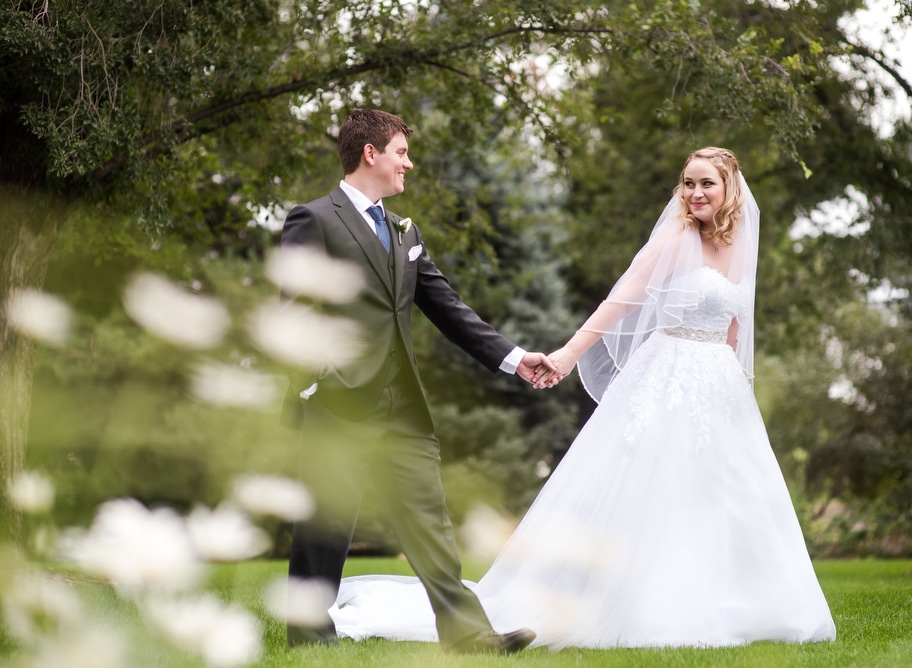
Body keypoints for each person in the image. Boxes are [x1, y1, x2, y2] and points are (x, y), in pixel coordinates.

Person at [323, 147, 837, 649]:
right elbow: (622, 298)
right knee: (658, 485)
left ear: (730, 190)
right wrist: (567, 355)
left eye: (707, 183)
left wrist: (735, 390)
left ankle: (739, 605)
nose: (696, 192)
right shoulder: (676, 236)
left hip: (719, 384)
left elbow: (734, 324)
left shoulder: (743, 243)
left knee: (727, 494)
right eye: (689, 183)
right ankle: (643, 605)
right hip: (668, 373)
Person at [279, 108, 553, 654]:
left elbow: (449, 308)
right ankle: (309, 638)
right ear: (370, 154)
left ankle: (470, 636)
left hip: (402, 406)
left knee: (430, 522)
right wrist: (316, 382)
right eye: (402, 151)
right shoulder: (314, 219)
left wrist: (515, 358)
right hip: (338, 403)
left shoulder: (405, 232)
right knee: (327, 524)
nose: (410, 162)